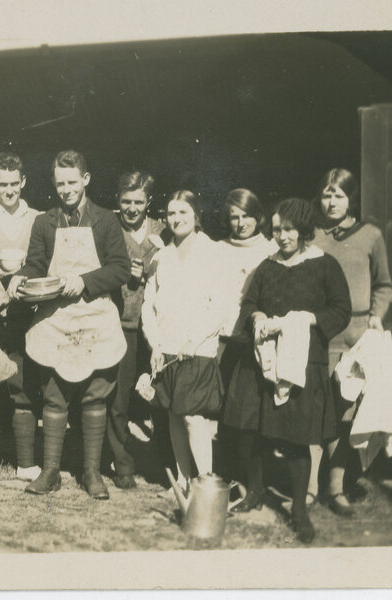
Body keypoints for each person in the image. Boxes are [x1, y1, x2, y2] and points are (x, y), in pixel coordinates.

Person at [225, 198, 351, 543]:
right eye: (277, 229)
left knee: (297, 435)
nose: (281, 236)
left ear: (304, 230)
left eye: (289, 229)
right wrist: (256, 316)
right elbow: (250, 302)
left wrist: (311, 319)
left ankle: (298, 508)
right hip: (262, 357)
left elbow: (341, 308)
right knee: (248, 428)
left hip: (303, 361)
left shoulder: (324, 265)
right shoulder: (266, 267)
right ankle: (254, 491)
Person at [8, 150, 130, 500]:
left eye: (72, 182)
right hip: (57, 319)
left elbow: (120, 268)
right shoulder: (45, 222)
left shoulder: (106, 220)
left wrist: (86, 280)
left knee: (94, 397)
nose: (66, 189)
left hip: (95, 317)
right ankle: (50, 471)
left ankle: (91, 473)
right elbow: (35, 265)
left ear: (86, 180)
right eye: (60, 183)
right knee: (55, 397)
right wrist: (20, 278)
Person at [309, 168, 392, 517]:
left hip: (356, 337)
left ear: (351, 199)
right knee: (315, 414)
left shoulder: (370, 235)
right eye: (327, 195)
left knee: (344, 416)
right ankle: (310, 489)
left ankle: (336, 488)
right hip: (320, 333)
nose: (332, 202)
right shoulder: (311, 235)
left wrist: (376, 314)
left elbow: (384, 284)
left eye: (339, 195)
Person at [141, 191, 229, 491]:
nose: (176, 219)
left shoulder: (213, 252)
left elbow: (220, 304)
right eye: (171, 214)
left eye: (183, 213)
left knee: (192, 416)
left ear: (197, 216)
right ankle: (183, 480)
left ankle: (205, 483)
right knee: (174, 416)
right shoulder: (161, 256)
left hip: (197, 350)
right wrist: (154, 344)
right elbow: (148, 303)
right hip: (166, 349)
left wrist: (195, 339)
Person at [0, 151, 43, 484]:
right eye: (2, 185)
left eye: (15, 184)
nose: (9, 191)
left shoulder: (37, 218)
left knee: (23, 384)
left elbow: (43, 261)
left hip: (24, 312)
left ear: (24, 182)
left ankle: (26, 463)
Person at [215, 188, 278, 510]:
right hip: (225, 338)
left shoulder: (271, 249)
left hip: (258, 340)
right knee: (226, 415)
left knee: (255, 416)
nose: (240, 223)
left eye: (246, 216)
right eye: (234, 217)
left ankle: (258, 484)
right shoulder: (217, 249)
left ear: (259, 216)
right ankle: (230, 479)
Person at [108, 170, 167, 490]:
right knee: (119, 399)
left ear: (149, 202)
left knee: (161, 397)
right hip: (123, 324)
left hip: (159, 327)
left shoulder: (164, 231)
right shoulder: (110, 229)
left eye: (138, 202)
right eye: (126, 202)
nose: (131, 208)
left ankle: (164, 462)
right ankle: (123, 463)